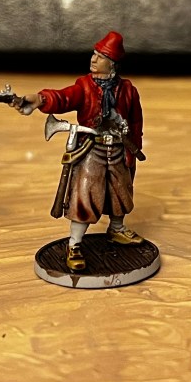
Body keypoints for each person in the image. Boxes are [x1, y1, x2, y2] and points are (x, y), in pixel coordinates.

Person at [19, 31, 144, 271]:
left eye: (100, 56)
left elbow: (136, 121)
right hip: (92, 150)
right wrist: (40, 99)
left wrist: (133, 148)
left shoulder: (128, 90)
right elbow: (63, 98)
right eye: (94, 54)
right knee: (85, 196)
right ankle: (74, 244)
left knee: (121, 193)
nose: (94, 59)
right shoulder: (84, 86)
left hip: (119, 149)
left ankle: (116, 229)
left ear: (112, 63)